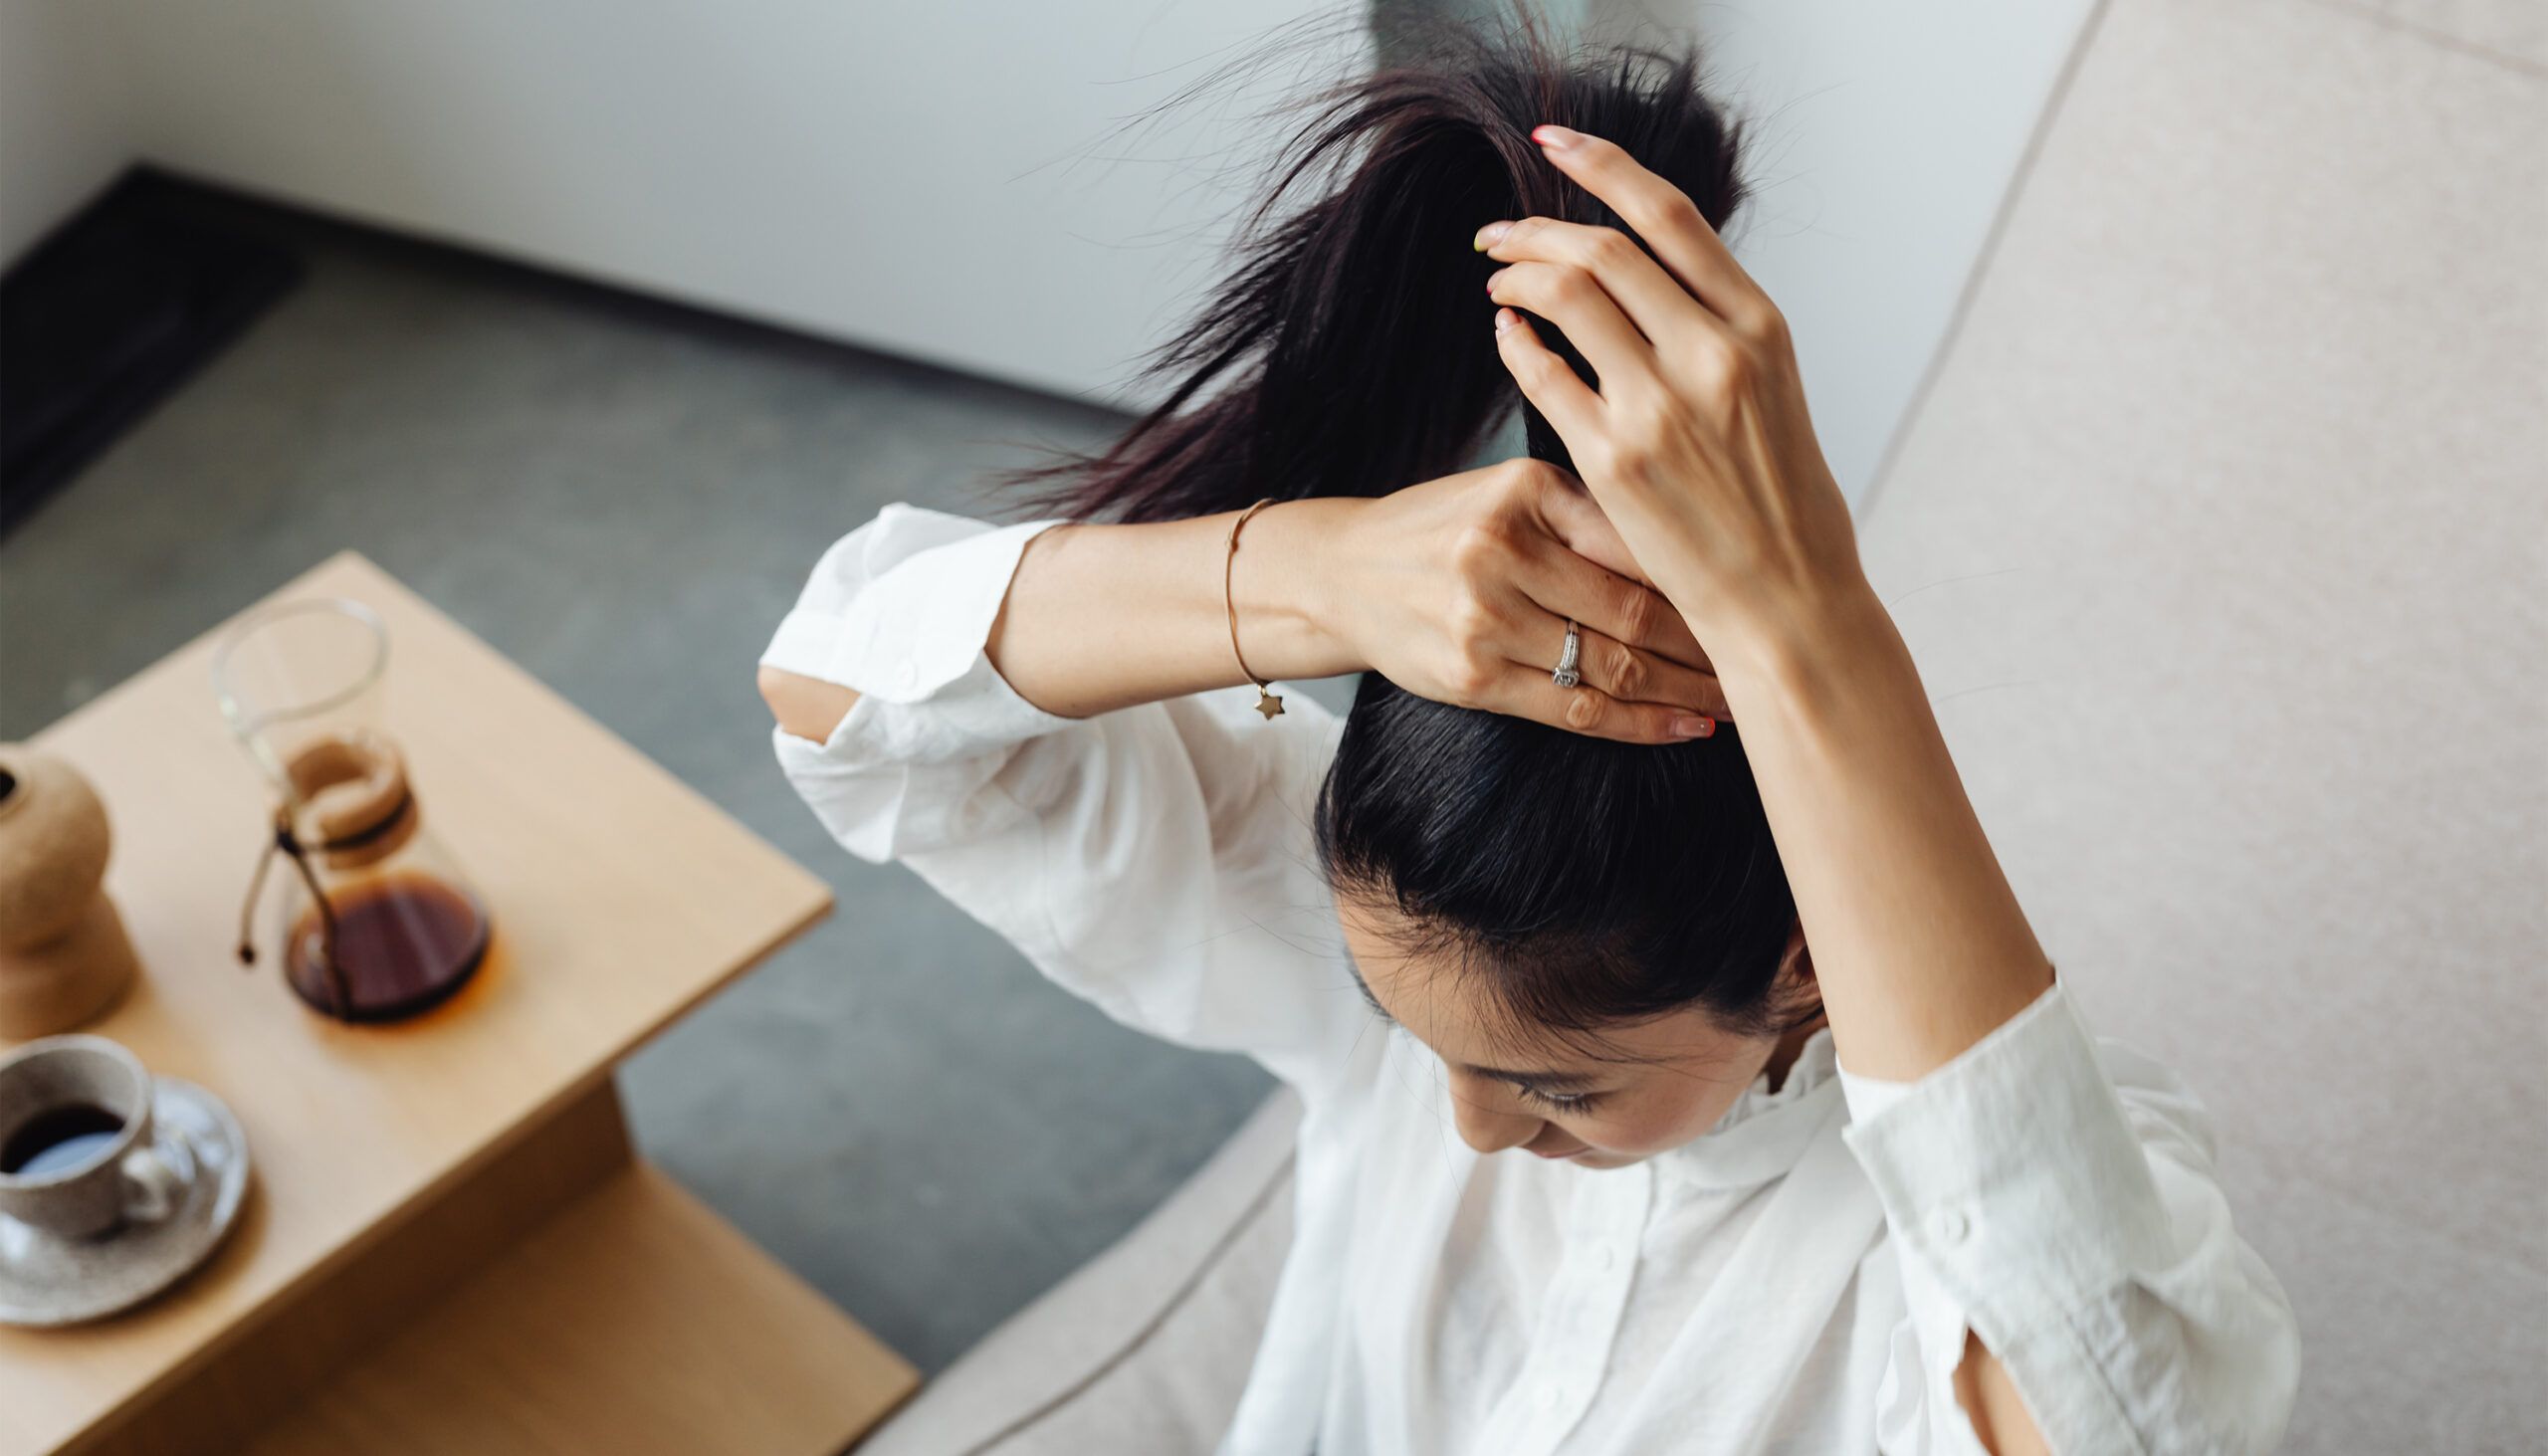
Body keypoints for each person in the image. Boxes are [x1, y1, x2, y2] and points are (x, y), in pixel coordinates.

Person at [755, 17, 2299, 1454]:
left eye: (1558, 1089)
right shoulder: (1351, 917)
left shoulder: (2036, 1202)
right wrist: (1312, 573)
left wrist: (1809, 629)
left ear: (1805, 965)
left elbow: (2119, 1423)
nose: (1468, 1129)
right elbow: (841, 696)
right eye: (1407, 1028)